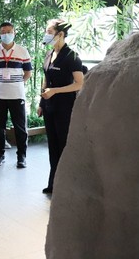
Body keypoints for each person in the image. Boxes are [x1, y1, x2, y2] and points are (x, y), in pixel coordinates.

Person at [38, 19, 84, 194]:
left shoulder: (71, 56)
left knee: (63, 145)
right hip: (49, 106)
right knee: (52, 146)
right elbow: (46, 80)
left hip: (64, 107)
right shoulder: (49, 54)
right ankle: (53, 183)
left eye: (50, 32)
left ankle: (67, 184)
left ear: (61, 34)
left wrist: (55, 91)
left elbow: (79, 83)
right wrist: (41, 103)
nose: (46, 35)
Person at [0, 22, 32, 168]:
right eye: (3, 32)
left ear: (14, 33)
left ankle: (21, 157)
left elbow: (28, 73)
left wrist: (17, 82)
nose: (6, 34)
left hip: (17, 94)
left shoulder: (22, 51)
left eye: (9, 31)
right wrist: (2, 82)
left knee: (20, 127)